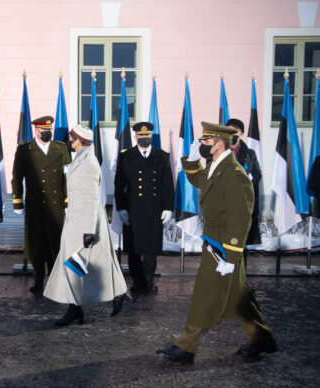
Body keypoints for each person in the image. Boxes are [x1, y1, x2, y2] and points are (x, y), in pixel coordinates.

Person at [156, 122, 277, 364]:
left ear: (219, 143)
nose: (202, 145)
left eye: (206, 141)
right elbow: (199, 180)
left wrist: (230, 256)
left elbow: (241, 218)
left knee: (204, 293)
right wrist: (191, 161)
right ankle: (262, 339)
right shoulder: (215, 166)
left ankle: (186, 347)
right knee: (238, 296)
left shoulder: (235, 175)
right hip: (213, 241)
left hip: (223, 247)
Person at [44, 125, 128, 325]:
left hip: (85, 221)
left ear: (79, 140)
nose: (69, 142)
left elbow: (91, 198)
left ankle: (116, 293)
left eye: (71, 139)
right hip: (76, 219)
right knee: (77, 265)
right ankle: (75, 308)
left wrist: (89, 230)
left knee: (85, 265)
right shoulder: (81, 159)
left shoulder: (89, 162)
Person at [12, 115, 71, 293]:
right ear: (36, 131)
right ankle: (38, 279)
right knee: (36, 244)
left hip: (56, 204)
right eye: (44, 131)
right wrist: (17, 202)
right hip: (35, 204)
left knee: (56, 243)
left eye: (49, 131)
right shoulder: (25, 150)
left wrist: (67, 201)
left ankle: (55, 280)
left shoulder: (60, 148)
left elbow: (67, 176)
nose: (47, 133)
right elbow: (17, 177)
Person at [114, 122, 174, 295]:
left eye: (147, 136)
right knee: (133, 250)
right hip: (133, 209)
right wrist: (121, 208)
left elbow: (168, 184)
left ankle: (149, 282)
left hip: (155, 209)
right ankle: (137, 282)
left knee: (150, 250)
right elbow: (119, 185)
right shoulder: (126, 156)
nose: (144, 138)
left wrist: (168, 207)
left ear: (151, 136)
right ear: (135, 137)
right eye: (141, 136)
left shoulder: (161, 156)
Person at [226, 118, 262, 264]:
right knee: (224, 241)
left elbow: (258, 173)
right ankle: (224, 282)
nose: (232, 135)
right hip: (224, 202)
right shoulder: (218, 151)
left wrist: (248, 187)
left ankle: (240, 281)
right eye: (229, 131)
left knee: (241, 242)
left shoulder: (250, 153)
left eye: (235, 132)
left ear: (241, 134)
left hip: (243, 203)